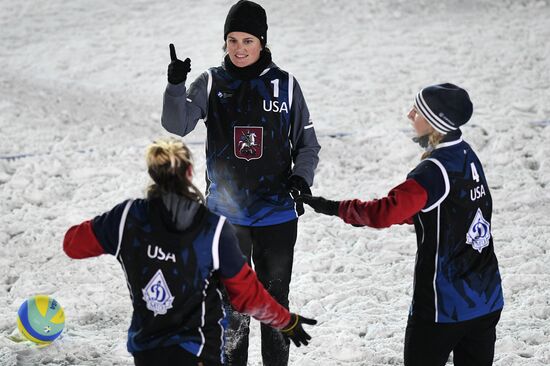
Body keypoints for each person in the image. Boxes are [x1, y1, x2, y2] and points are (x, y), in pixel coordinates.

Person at [161, 1, 320, 365]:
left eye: (248, 40)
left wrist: (301, 176)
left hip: (277, 216)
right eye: (232, 40)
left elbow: (308, 145)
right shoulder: (212, 82)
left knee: (275, 302)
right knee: (232, 306)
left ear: (262, 42)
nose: (240, 48)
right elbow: (178, 124)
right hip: (226, 219)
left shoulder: (286, 86)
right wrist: (175, 86)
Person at [299, 84, 504, 366]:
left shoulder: (432, 171)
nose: (410, 115)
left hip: (443, 307)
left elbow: (384, 213)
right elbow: (443, 209)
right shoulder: (467, 154)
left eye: (417, 111)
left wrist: (332, 207)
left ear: (436, 123)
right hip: (487, 299)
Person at [63, 138, 316, 366]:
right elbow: (246, 296)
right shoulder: (213, 229)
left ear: (153, 174)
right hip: (199, 354)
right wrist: (286, 321)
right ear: (190, 172)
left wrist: (110, 225)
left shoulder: (126, 218)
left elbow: (72, 245)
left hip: (148, 353)